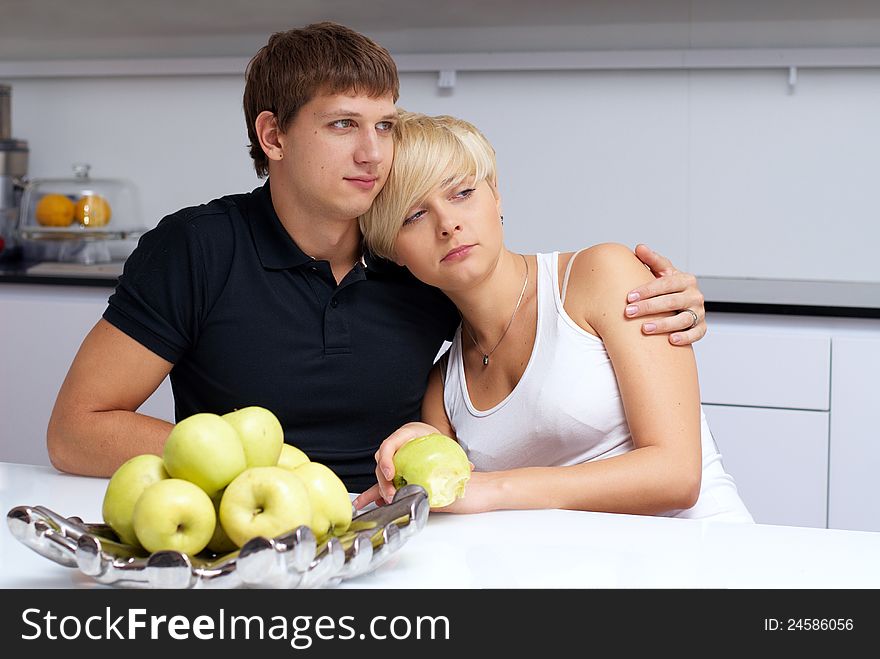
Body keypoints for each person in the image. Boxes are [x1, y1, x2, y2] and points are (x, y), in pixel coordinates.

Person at [47, 22, 710, 495]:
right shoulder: (197, 248)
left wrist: (671, 295)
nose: (373, 152)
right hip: (246, 534)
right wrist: (250, 464)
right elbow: (75, 431)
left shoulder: (413, 254)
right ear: (273, 136)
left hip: (392, 531)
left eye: (384, 125)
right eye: (343, 125)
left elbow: (524, 294)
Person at [354, 111, 752, 522]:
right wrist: (422, 448)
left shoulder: (601, 275)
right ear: (393, 250)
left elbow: (676, 476)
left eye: (462, 193)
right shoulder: (444, 388)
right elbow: (459, 498)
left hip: (711, 558)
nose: (448, 224)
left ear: (496, 196)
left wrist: (496, 487)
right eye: (414, 215)